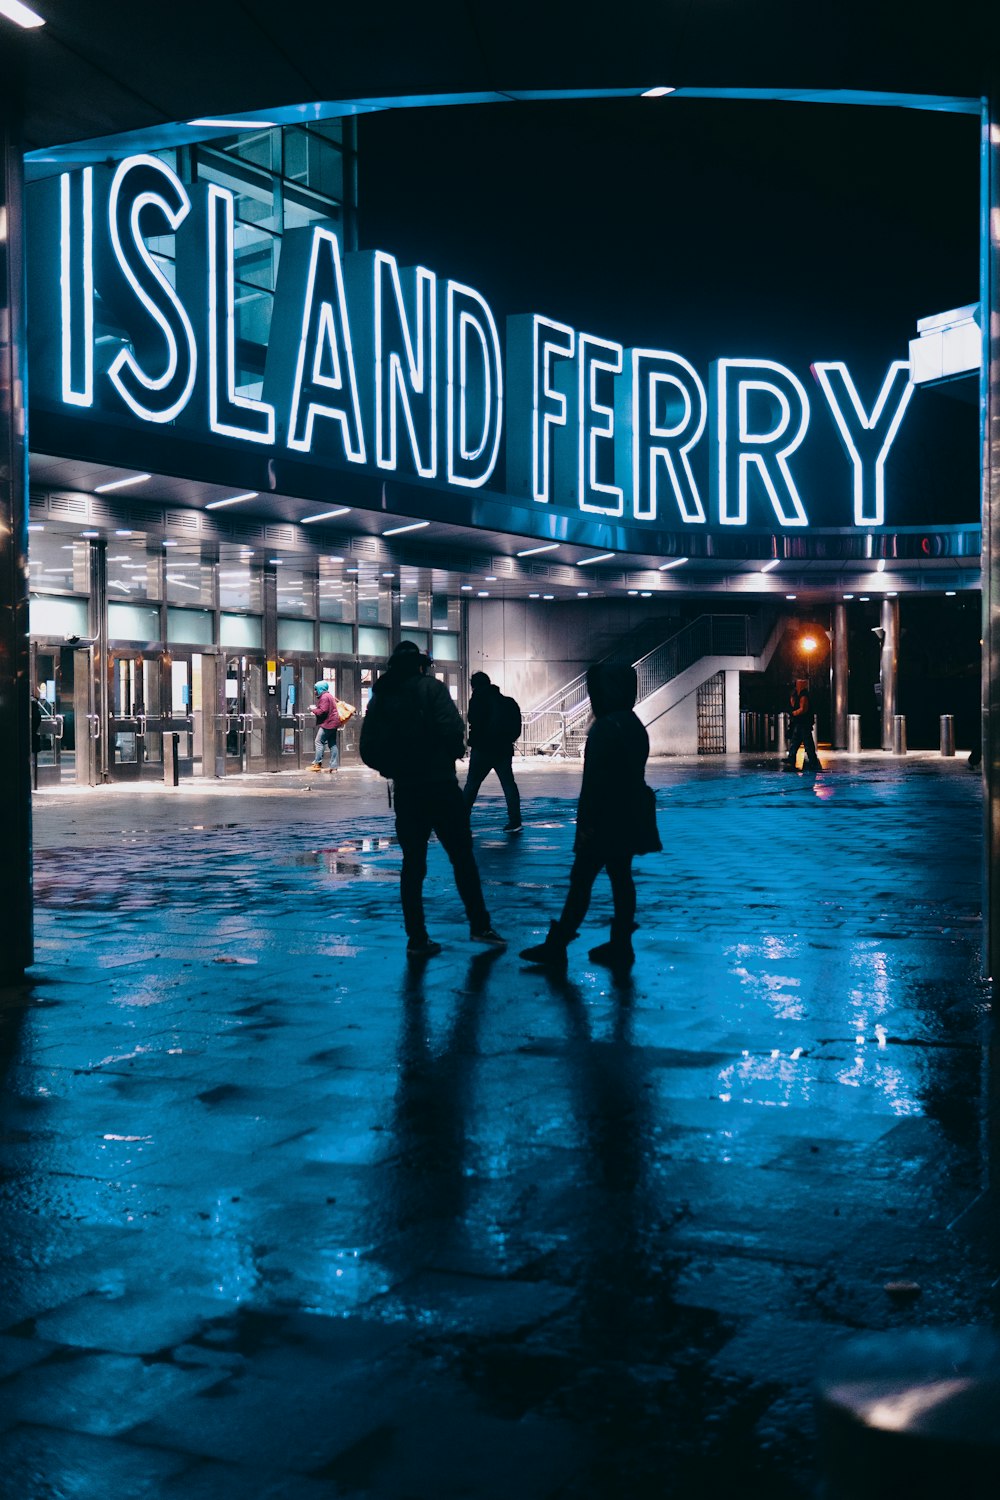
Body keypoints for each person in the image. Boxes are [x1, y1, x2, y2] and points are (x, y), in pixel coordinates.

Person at [360, 641, 505, 957]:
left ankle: (417, 938)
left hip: (407, 790)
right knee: (462, 857)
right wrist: (450, 752)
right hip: (439, 784)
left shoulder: (382, 696)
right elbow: (452, 729)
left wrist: (393, 767)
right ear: (421, 665)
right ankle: (480, 925)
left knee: (413, 865)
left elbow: (367, 746)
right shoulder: (431, 689)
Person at [520, 662, 659, 969]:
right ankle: (621, 943)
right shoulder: (633, 724)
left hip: (605, 819)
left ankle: (558, 944)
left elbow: (593, 784)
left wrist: (585, 827)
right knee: (621, 878)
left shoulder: (605, 728)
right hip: (629, 814)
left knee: (581, 880)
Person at [463, 670, 523, 832]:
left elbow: (473, 722)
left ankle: (461, 819)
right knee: (508, 785)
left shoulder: (477, 700)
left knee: (472, 785)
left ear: (474, 686)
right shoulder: (507, 702)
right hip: (503, 749)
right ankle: (515, 820)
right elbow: (516, 727)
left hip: (482, 749)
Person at [308, 680, 345, 773]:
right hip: (334, 723)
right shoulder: (329, 695)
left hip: (328, 723)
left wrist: (313, 709)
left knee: (318, 741)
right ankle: (333, 766)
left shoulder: (324, 697)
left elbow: (322, 711)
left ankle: (317, 764)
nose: (315, 691)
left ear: (321, 689)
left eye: (316, 689)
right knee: (332, 744)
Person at [784, 678, 821, 770]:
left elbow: (803, 709)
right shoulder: (800, 695)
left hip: (803, 723)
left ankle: (811, 760)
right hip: (801, 723)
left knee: (805, 743)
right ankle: (793, 758)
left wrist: (793, 713)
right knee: (797, 742)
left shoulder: (803, 696)